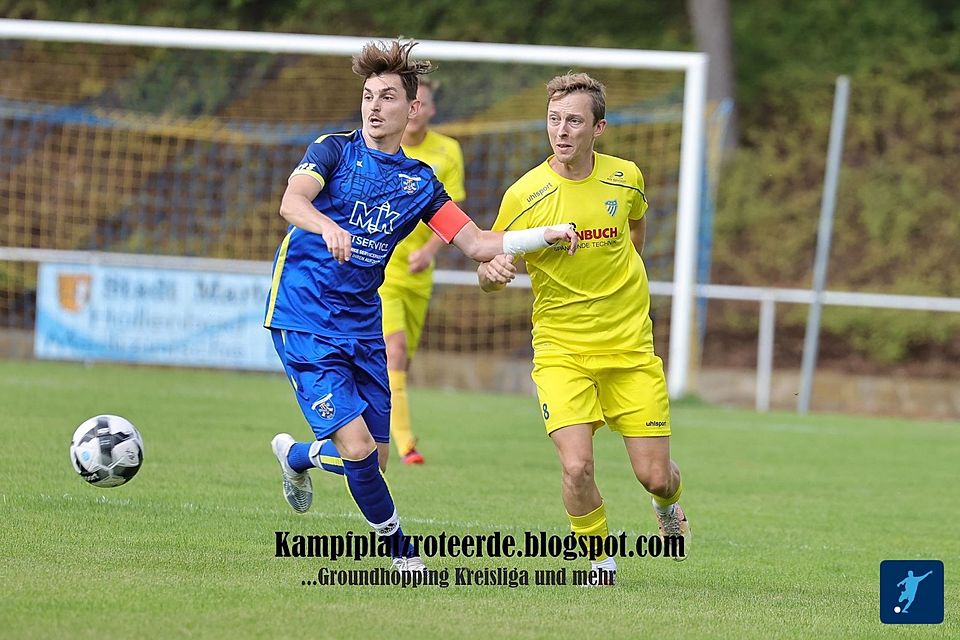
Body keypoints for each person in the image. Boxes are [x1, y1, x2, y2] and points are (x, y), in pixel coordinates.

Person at [263, 39, 578, 574]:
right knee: (360, 448)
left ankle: (296, 456)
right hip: (305, 316)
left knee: (375, 461)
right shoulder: (331, 150)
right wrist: (327, 224)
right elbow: (292, 201)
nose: (374, 106)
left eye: (387, 96)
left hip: (364, 324)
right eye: (367, 95)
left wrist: (545, 235)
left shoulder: (419, 183)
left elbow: (478, 243)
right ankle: (400, 552)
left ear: (412, 109)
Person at [477, 73, 691, 583]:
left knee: (655, 477)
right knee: (576, 467)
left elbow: (634, 229)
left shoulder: (627, 177)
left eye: (574, 120)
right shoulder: (525, 193)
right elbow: (487, 258)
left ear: (599, 128)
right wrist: (493, 273)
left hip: (630, 350)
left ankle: (668, 506)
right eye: (554, 119)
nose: (561, 130)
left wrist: (621, 282)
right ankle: (599, 559)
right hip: (561, 350)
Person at [381, 76, 466, 465]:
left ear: (428, 109)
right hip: (383, 271)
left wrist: (431, 250)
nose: (415, 110)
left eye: (422, 103)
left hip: (419, 274)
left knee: (401, 360)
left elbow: (453, 215)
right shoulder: (382, 148)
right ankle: (402, 443)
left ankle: (378, 424)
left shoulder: (448, 152)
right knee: (393, 354)